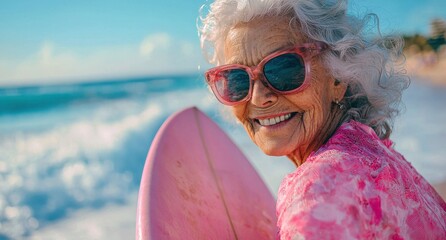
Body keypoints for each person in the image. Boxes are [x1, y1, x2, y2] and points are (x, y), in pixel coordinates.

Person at [198, 0, 446, 239]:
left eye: (284, 69)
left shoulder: (315, 194)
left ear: (338, 75)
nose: (259, 98)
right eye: (236, 80)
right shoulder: (374, 155)